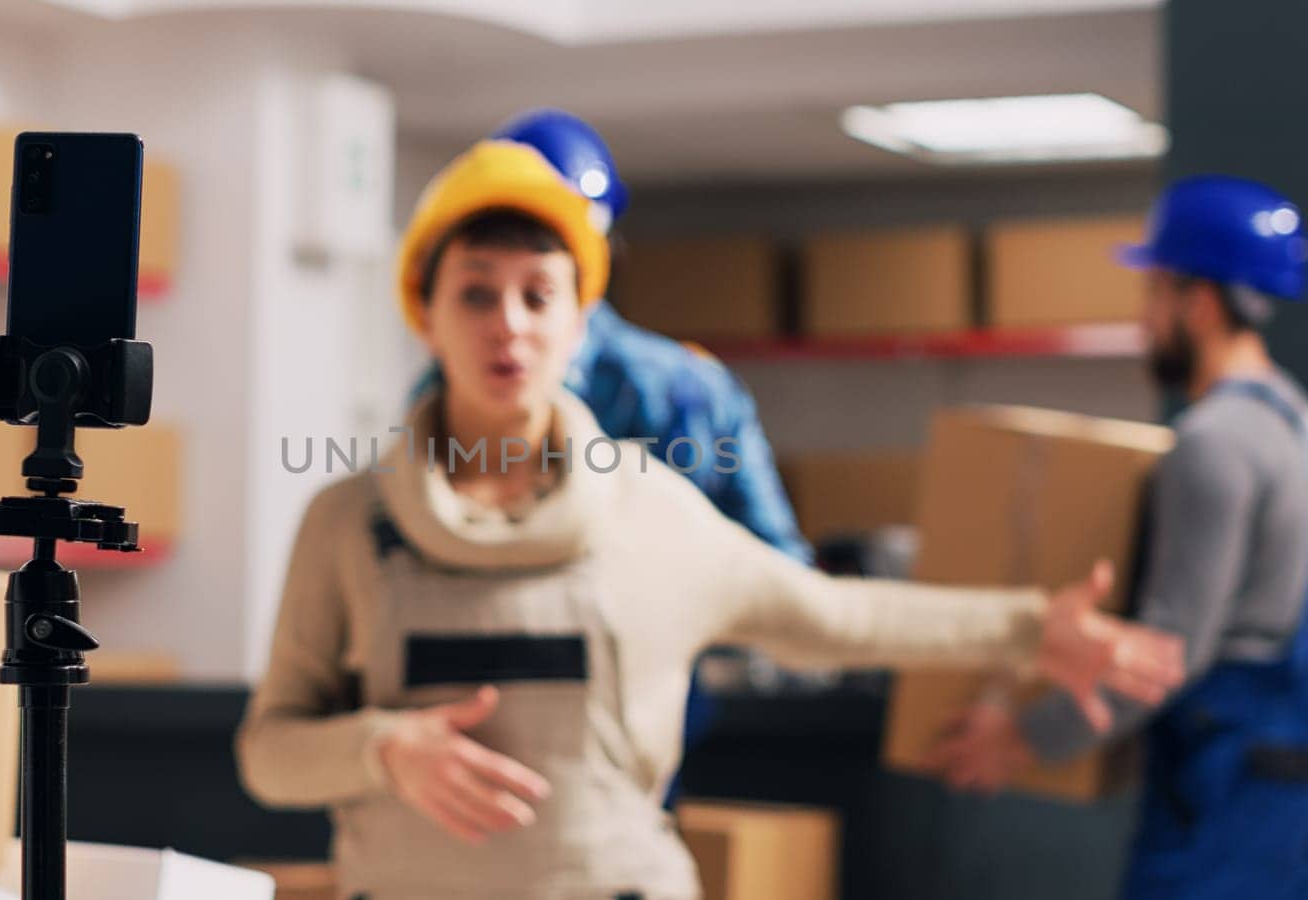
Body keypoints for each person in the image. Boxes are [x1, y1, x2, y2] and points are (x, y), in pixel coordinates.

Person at [238, 135, 1184, 900]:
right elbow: (269, 754)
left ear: (580, 324)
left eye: (539, 294)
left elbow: (833, 621)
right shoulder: (346, 522)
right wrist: (383, 749)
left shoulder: (652, 511)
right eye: (476, 292)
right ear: (425, 315)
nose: (509, 323)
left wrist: (1028, 629)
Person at [408, 109, 812, 807]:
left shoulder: (681, 389)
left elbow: (776, 570)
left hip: (628, 723)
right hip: (477, 712)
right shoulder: (440, 389)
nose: (509, 324)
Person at [930, 175, 1308, 900]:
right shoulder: (1291, 419)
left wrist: (1019, 739)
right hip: (1279, 792)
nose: (1144, 321)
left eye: (1153, 295)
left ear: (1197, 302)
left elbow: (1167, 653)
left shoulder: (1213, 444)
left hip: (1224, 798)